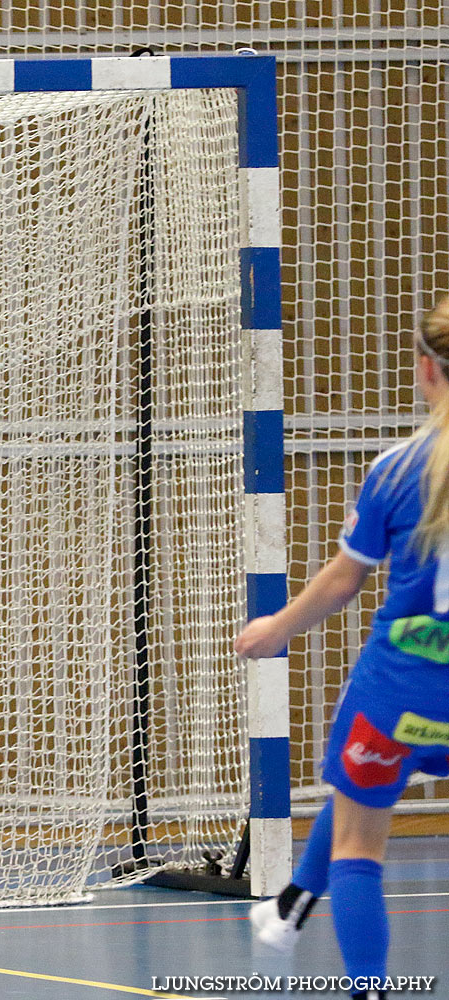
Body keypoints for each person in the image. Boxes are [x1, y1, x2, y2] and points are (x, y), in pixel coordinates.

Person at [237, 297, 449, 1000]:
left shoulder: (397, 469)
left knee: (362, 833)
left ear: (426, 370)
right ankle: (293, 903)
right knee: (362, 790)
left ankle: (366, 987)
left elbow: (343, 580)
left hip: (404, 683)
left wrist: (277, 627)